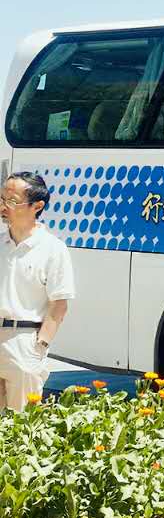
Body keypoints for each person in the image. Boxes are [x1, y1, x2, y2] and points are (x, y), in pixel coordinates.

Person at [0, 172, 73, 411]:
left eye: (12, 201)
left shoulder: (52, 249)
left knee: (21, 422)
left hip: (23, 341)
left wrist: (40, 345)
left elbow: (59, 304)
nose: (4, 207)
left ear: (37, 206)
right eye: (2, 199)